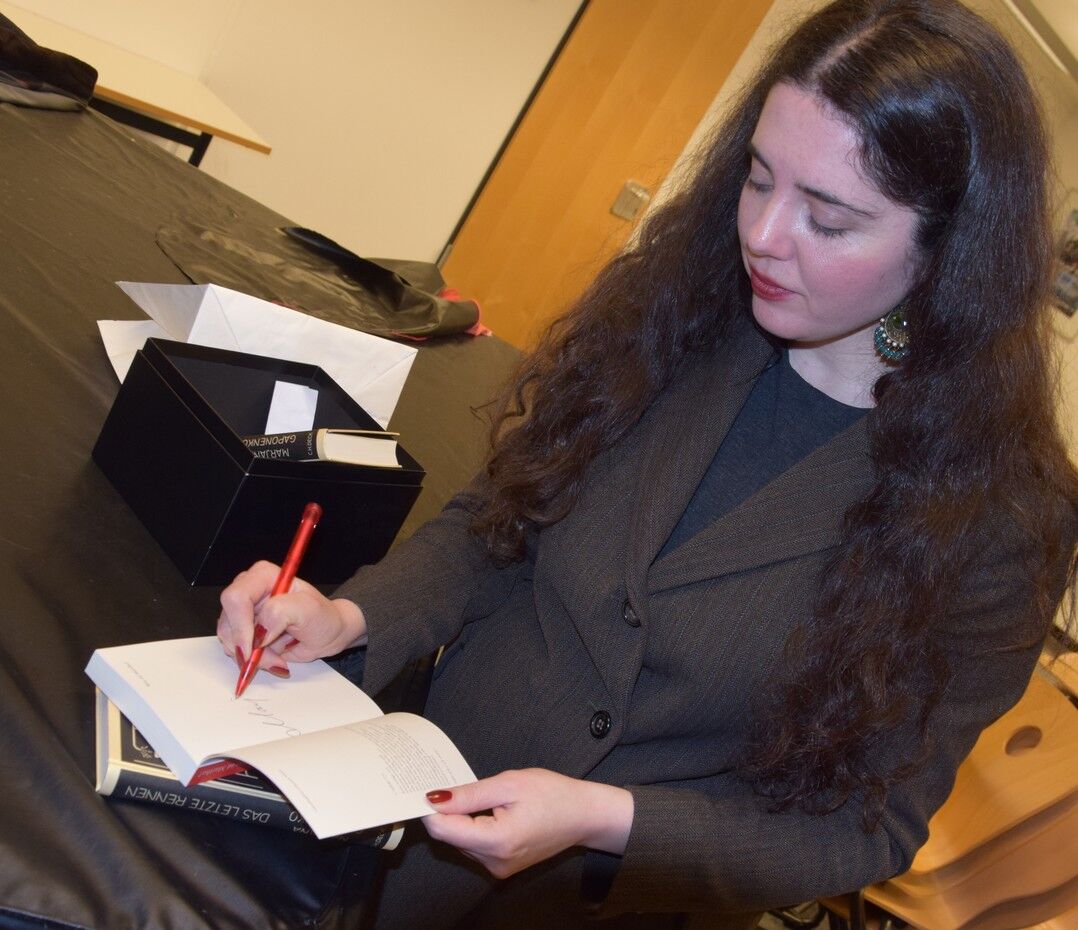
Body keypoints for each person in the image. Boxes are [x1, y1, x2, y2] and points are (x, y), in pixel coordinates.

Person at [218, 0, 1078, 926]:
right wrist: (352, 616)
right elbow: (500, 526)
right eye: (758, 178)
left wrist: (609, 821)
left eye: (828, 219)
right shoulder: (679, 312)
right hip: (402, 811)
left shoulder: (1002, 522)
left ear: (952, 251)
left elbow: (863, 828)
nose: (763, 234)